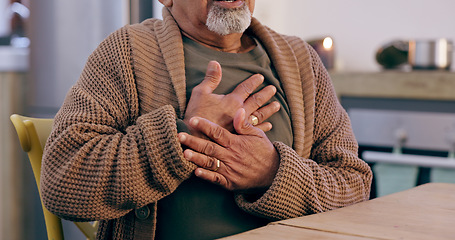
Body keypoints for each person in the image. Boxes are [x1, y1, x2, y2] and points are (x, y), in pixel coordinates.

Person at [41, 0, 373, 239]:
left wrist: (272, 173)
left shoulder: (301, 62)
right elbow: (63, 183)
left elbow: (355, 185)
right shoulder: (127, 52)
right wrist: (183, 135)